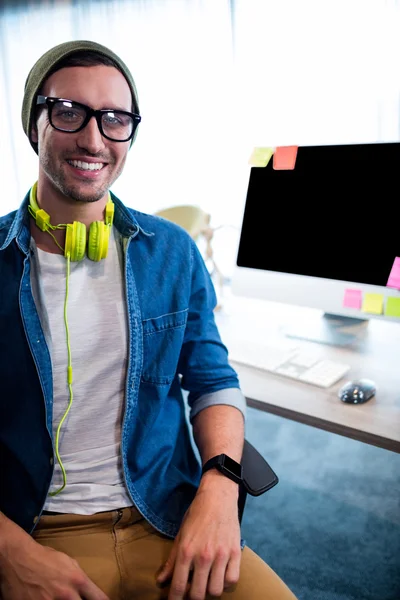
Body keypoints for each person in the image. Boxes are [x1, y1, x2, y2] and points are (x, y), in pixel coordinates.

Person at [0, 40, 297, 600]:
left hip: (166, 515)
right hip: (36, 532)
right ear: (33, 122)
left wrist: (219, 487)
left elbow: (214, 382)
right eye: (69, 112)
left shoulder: (172, 253)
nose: (94, 139)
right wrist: (8, 551)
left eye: (116, 119)